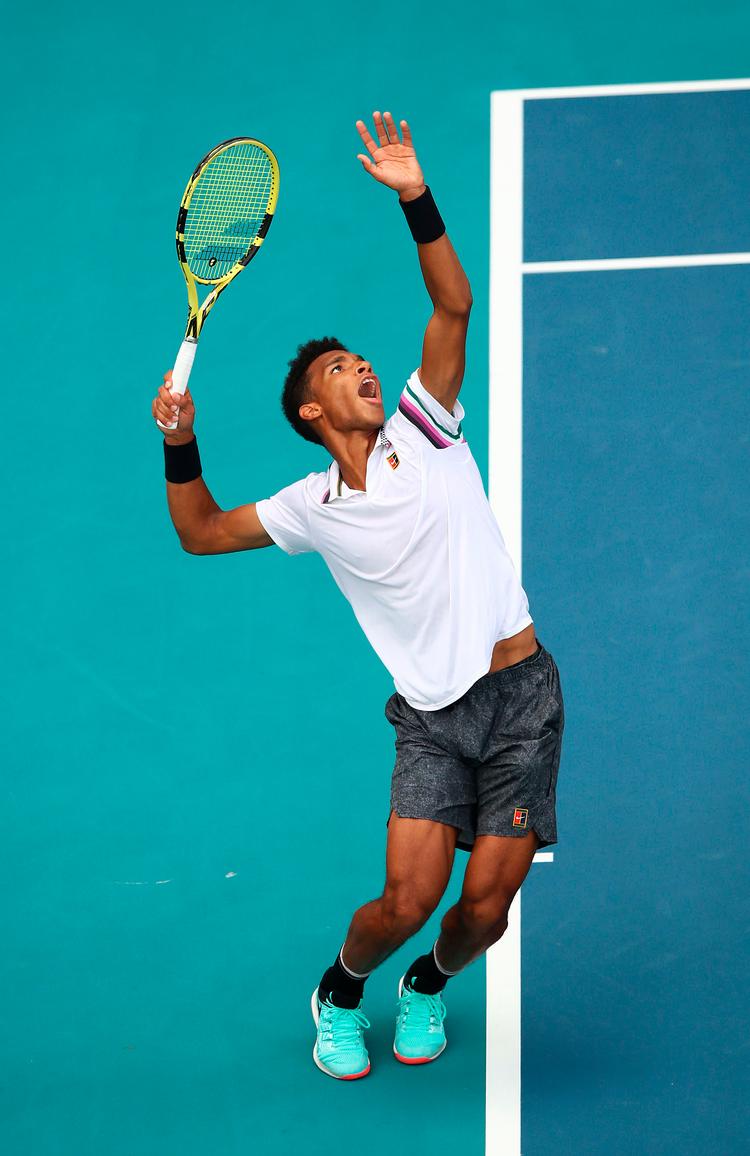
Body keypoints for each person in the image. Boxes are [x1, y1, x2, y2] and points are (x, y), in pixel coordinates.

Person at [152, 110, 565, 1081]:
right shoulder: (310, 505)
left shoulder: (426, 426)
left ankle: (427, 985)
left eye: (363, 362)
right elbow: (202, 531)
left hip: (523, 695)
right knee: (404, 899)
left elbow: (453, 310)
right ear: (310, 410)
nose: (365, 370)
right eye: (342, 370)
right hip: (431, 717)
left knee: (483, 912)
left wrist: (416, 196)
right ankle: (340, 990)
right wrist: (179, 439)